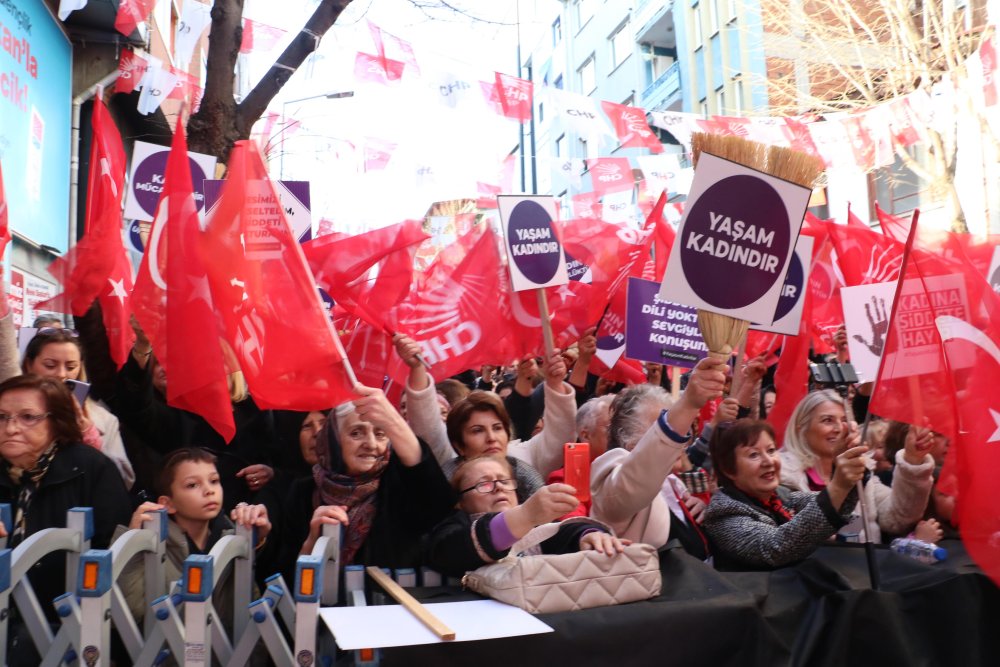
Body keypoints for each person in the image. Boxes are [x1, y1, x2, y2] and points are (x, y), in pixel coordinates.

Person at [0, 375, 131, 664]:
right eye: (2, 417)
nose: (11, 428)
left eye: (27, 417)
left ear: (56, 421)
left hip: (72, 622)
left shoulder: (91, 468)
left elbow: (113, 553)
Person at [281, 385, 455, 576]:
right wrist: (312, 542)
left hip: (391, 602)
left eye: (380, 434)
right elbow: (284, 573)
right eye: (356, 433)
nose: (371, 444)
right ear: (334, 439)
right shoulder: (303, 492)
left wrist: (393, 422)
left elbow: (438, 504)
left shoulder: (398, 483)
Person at [395, 334, 576, 502]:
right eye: (477, 430)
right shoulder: (446, 462)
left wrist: (555, 383)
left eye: (497, 428)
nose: (491, 438)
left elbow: (561, 433)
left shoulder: (527, 455)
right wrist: (417, 368)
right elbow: (427, 424)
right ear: (459, 445)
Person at [589, 358, 729, 559]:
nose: (680, 434)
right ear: (630, 443)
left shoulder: (674, 484)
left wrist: (701, 512)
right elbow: (637, 481)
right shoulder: (611, 487)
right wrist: (688, 403)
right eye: (659, 427)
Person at [117, 448, 273, 627]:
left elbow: (252, 612)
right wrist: (129, 546)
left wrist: (256, 540)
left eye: (214, 481)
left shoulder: (232, 539)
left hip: (229, 653)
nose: (209, 490)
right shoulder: (151, 545)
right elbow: (126, 614)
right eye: (192, 485)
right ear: (168, 504)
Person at [702, 420, 866, 569]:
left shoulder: (781, 498)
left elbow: (831, 507)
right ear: (729, 470)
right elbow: (776, 547)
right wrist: (838, 485)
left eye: (771, 450)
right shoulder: (724, 514)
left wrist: (845, 460)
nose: (769, 461)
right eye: (754, 455)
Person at [426, 455, 626, 577]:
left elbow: (561, 532)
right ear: (461, 502)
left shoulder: (535, 521)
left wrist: (588, 535)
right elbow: (450, 551)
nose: (498, 488)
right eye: (484, 484)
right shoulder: (453, 527)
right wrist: (526, 515)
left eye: (504, 481)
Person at [778, 390, 934, 542]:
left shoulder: (861, 472)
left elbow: (898, 519)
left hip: (861, 567)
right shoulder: (783, 477)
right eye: (827, 420)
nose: (839, 428)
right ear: (801, 427)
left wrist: (913, 460)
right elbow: (791, 539)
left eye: (844, 420)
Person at [19, 329, 135, 488]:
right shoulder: (9, 413)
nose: (61, 374)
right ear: (29, 365)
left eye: (70, 367)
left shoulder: (103, 419)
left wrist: (88, 436)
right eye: (50, 365)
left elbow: (124, 480)